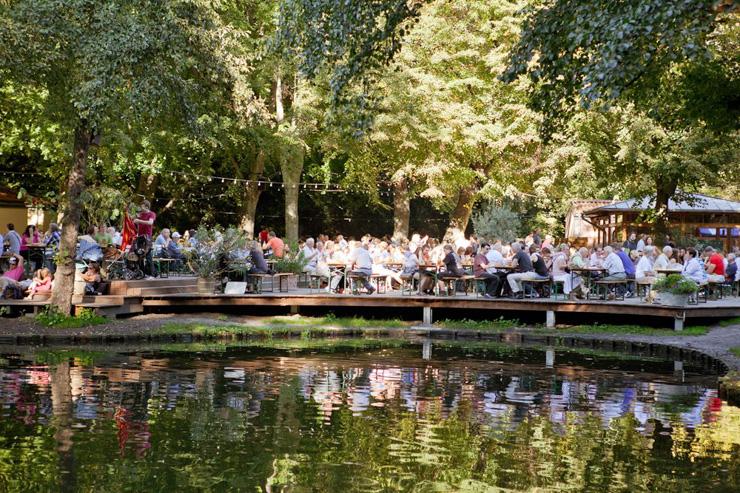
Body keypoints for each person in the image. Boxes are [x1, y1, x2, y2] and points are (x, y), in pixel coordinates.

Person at [133, 200, 156, 276]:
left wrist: (139, 220)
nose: (140, 208)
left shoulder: (151, 214)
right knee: (139, 255)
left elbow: (150, 223)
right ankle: (142, 273)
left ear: (146, 206)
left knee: (148, 255)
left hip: (147, 237)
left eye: (142, 206)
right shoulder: (140, 214)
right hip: (140, 236)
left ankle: (152, 274)